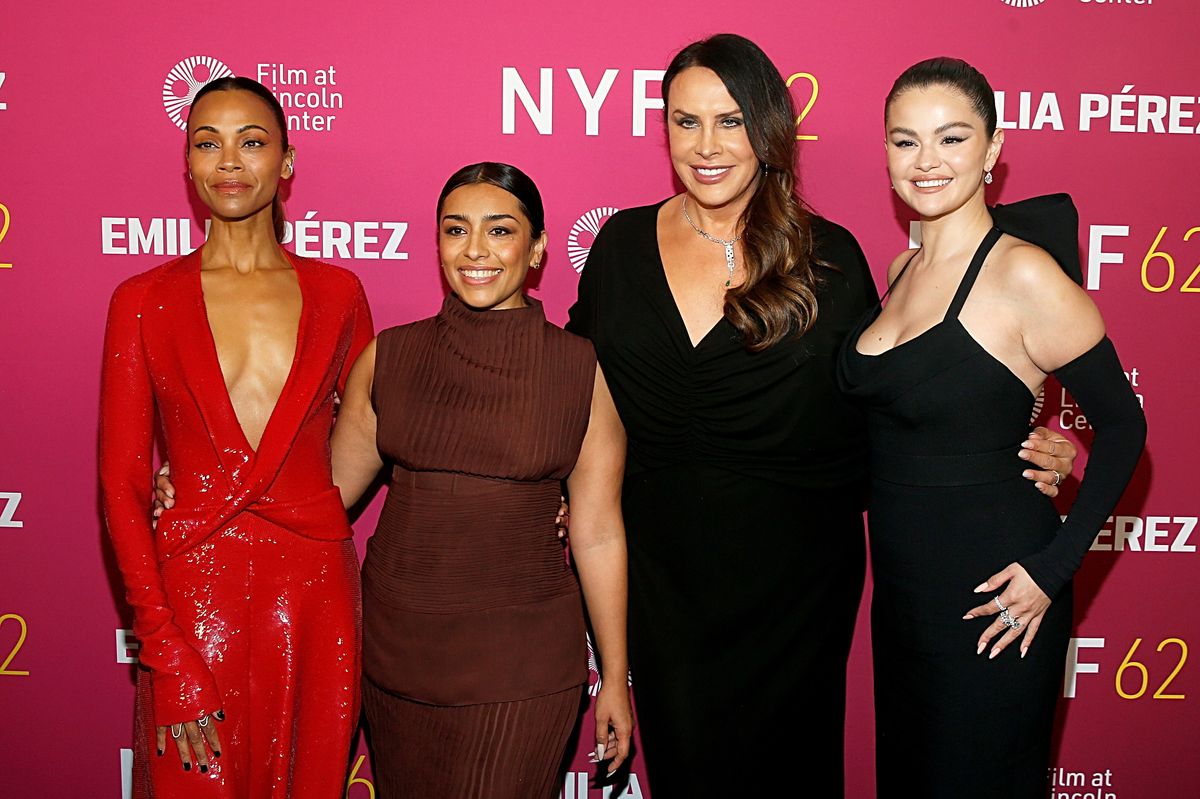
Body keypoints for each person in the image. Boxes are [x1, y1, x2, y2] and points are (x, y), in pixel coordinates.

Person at [566, 35, 1077, 796]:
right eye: (685, 121)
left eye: (731, 121)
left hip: (796, 591)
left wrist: (1021, 439)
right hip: (666, 585)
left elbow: (906, 398)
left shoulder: (826, 257)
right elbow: (576, 405)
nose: (706, 146)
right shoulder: (618, 247)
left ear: (769, 128)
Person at [836, 57, 1146, 797]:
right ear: (884, 152)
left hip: (996, 597)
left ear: (993, 148)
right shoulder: (897, 269)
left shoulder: (1025, 275)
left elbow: (1125, 429)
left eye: (951, 138)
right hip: (905, 597)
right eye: (904, 141)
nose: (927, 161)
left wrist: (1053, 568)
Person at [99, 77, 372, 797]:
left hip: (315, 591)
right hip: (193, 594)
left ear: (286, 161)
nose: (229, 162)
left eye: (252, 142)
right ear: (187, 164)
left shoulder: (341, 294)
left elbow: (383, 433)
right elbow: (122, 485)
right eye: (206, 143)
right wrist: (162, 648)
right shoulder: (142, 300)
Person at [328, 162, 633, 798]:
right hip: (399, 655)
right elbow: (323, 495)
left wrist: (614, 675)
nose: (475, 251)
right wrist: (198, 479)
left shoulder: (577, 369)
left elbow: (599, 531)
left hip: (523, 662)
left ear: (538, 247)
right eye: (455, 230)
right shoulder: (392, 356)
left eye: (500, 231)